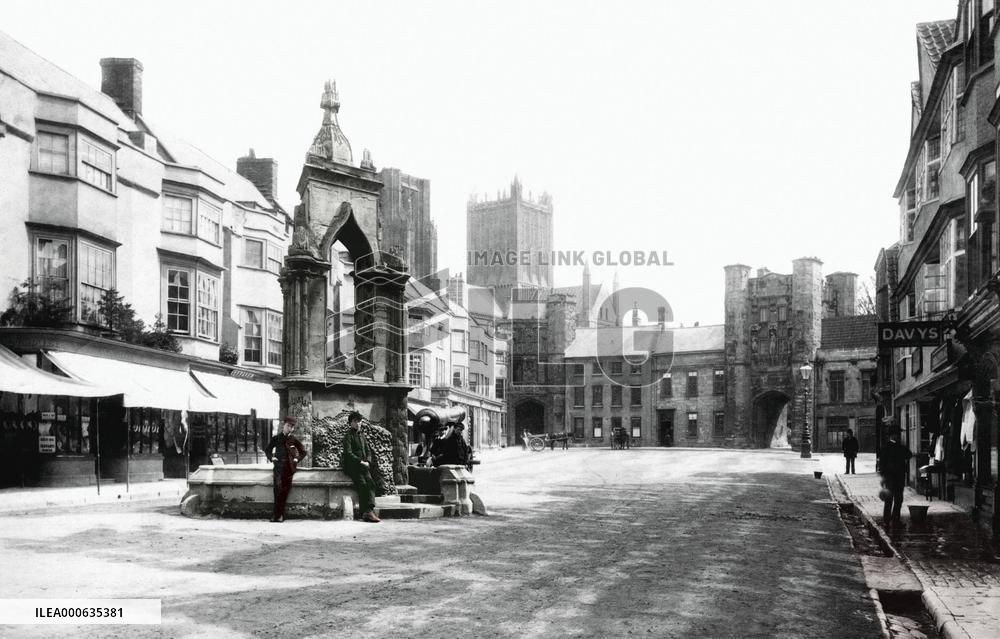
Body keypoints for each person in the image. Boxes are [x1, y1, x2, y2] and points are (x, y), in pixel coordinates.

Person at [264, 417, 306, 523]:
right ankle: (277, 515)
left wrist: (297, 459)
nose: (289, 428)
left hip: (289, 469)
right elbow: (268, 450)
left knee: (285, 492)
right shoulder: (276, 438)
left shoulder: (293, 439)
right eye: (288, 425)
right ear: (284, 425)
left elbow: (303, 452)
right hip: (278, 468)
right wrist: (271, 458)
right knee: (277, 489)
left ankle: (279, 515)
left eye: (291, 427)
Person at [341, 411, 380, 523]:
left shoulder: (362, 436)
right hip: (353, 466)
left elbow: (368, 451)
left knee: (371, 483)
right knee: (363, 484)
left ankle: (369, 510)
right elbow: (348, 453)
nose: (358, 424)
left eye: (360, 421)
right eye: (355, 421)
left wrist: (367, 461)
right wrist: (360, 462)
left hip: (363, 466)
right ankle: (366, 512)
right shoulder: (348, 437)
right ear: (350, 423)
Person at [878, 430, 912, 525]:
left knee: (893, 499)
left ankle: (887, 520)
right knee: (896, 499)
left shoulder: (886, 447)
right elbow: (909, 454)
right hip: (895, 477)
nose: (897, 436)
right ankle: (894, 519)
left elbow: (881, 464)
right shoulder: (899, 447)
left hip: (892, 477)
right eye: (896, 434)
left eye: (897, 434)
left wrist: (883, 476)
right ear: (892, 435)